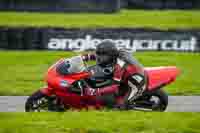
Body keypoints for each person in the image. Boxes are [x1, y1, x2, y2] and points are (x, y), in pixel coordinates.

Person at [83, 41, 147, 109]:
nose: (99, 58)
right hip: (126, 79)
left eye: (103, 55)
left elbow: (114, 86)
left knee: (121, 106)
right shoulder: (112, 56)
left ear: (111, 55)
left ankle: (129, 105)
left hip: (137, 83)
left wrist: (96, 91)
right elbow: (96, 56)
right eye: (99, 54)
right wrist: (83, 58)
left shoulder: (119, 65)